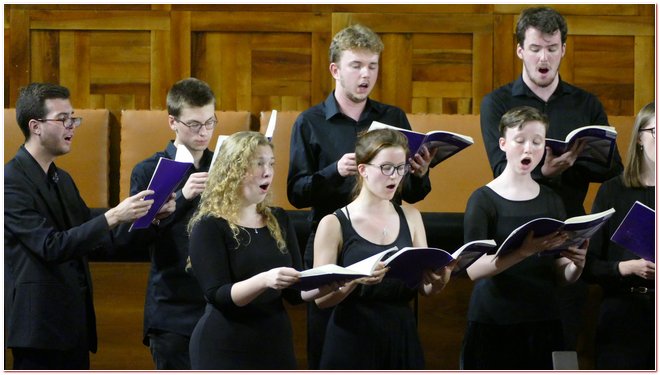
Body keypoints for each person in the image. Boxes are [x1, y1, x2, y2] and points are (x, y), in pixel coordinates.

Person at [287, 23, 434, 369]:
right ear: (335, 70)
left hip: (387, 234)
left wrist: (421, 174)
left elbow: (411, 191)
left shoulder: (393, 118)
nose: (366, 74)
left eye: (372, 66)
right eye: (357, 65)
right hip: (335, 239)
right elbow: (295, 193)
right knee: (332, 348)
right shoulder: (310, 122)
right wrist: (333, 172)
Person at [479, 6, 624, 351]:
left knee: (561, 347)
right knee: (510, 349)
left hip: (567, 235)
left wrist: (576, 160)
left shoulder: (586, 104)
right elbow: (500, 171)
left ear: (563, 49)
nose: (544, 57)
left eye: (551, 47)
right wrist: (544, 171)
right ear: (520, 50)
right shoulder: (497, 102)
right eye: (535, 48)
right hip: (514, 232)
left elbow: (612, 168)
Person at [4, 82, 163, 369]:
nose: (72, 126)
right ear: (35, 126)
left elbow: (90, 230)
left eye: (73, 118)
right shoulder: (10, 182)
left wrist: (146, 214)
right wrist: (114, 215)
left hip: (72, 327)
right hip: (38, 331)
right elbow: (50, 245)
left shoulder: (61, 178)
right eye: (63, 119)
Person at [302, 128, 452, 369]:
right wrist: (356, 279)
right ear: (363, 170)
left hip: (401, 332)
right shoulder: (333, 223)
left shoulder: (412, 217)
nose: (395, 176)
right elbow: (321, 299)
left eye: (401, 168)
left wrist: (440, 279)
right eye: (386, 168)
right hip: (352, 336)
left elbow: (425, 287)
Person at [461, 106, 588, 369]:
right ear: (504, 144)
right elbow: (473, 270)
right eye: (520, 141)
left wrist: (577, 265)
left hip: (543, 320)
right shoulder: (483, 199)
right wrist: (523, 252)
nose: (528, 149)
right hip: (493, 321)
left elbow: (560, 274)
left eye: (537, 142)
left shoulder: (552, 199)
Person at [187, 131, 303, 369]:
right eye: (258, 163)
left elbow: (296, 292)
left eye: (271, 163)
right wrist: (264, 280)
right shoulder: (209, 225)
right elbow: (218, 295)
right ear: (234, 170)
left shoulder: (278, 219)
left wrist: (336, 282)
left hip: (274, 342)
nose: (267, 171)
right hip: (226, 344)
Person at [126, 77, 216, 370]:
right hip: (172, 308)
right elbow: (132, 241)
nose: (204, 133)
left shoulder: (223, 165)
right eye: (194, 124)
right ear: (173, 122)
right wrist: (182, 195)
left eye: (210, 122)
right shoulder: (149, 170)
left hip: (219, 304)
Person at [582, 102, 655, 369]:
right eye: (656, 132)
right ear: (639, 138)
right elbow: (588, 265)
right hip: (622, 312)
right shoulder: (614, 191)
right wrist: (623, 267)